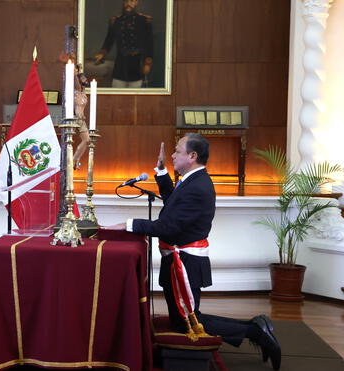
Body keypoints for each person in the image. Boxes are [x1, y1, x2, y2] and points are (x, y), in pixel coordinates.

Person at [106, 134, 282, 370]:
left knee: (188, 321)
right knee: (184, 319)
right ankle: (254, 328)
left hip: (185, 264)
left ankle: (255, 330)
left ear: (192, 156)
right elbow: (173, 205)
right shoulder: (191, 181)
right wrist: (161, 173)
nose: (172, 155)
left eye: (177, 151)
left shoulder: (197, 186)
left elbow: (169, 226)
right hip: (178, 261)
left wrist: (129, 225)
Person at [94, 0, 154, 88]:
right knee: (117, 96)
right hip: (120, 66)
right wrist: (102, 53)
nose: (128, 4)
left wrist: (147, 63)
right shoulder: (116, 21)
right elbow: (109, 40)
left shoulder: (144, 21)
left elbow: (149, 44)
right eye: (126, 1)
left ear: (136, 2)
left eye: (131, 1)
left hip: (136, 66)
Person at [73, 65, 91, 170]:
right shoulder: (77, 89)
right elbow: (76, 81)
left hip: (81, 118)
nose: (85, 80)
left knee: (87, 139)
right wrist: (74, 73)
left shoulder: (83, 92)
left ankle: (76, 159)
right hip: (75, 117)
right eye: (83, 78)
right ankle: (72, 160)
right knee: (69, 139)